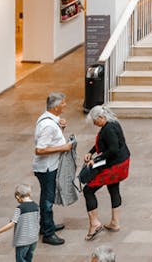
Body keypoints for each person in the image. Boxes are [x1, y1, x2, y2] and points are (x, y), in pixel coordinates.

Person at [81, 106, 129, 241]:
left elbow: (113, 149)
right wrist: (91, 152)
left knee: (88, 190)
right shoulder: (113, 122)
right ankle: (115, 222)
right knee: (113, 188)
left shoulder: (108, 129)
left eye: (95, 121)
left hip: (114, 165)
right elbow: (105, 144)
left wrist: (95, 160)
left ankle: (95, 224)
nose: (94, 124)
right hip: (122, 162)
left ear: (101, 118)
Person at [31, 95, 71, 246]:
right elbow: (40, 149)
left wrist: (61, 128)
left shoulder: (50, 120)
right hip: (47, 168)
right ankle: (48, 232)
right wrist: (64, 147)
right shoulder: (48, 125)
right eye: (63, 103)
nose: (65, 105)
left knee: (47, 197)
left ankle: (46, 224)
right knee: (47, 200)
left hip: (49, 166)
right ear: (55, 107)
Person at [0, 182, 37, 262]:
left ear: (18, 196)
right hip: (33, 239)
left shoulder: (20, 208)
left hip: (22, 241)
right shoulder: (36, 206)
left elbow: (12, 223)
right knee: (28, 258)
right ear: (29, 193)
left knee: (21, 259)